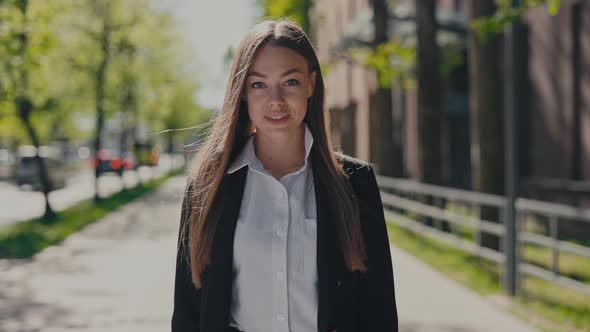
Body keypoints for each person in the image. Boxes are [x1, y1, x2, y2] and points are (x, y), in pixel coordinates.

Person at [172, 18, 398, 332]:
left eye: (290, 81)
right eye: (258, 84)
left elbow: (379, 311)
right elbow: (187, 313)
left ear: (311, 84)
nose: (275, 99)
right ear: (242, 92)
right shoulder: (207, 187)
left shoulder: (355, 183)